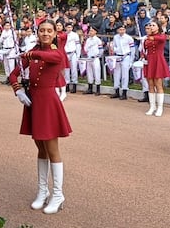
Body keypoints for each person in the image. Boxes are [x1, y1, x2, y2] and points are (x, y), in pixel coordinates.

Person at [8, 20, 72, 214]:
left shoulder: (56, 53)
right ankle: (42, 191)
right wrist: (18, 90)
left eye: (49, 31)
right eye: (42, 30)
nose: (45, 33)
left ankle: (58, 194)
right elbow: (13, 74)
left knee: (52, 150)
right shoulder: (33, 51)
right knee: (40, 149)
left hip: (48, 104)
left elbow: (48, 57)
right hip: (33, 103)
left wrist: (28, 53)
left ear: (54, 34)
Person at [141, 20, 170, 116]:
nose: (151, 27)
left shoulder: (161, 35)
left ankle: (160, 107)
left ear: (158, 27)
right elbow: (145, 47)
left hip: (158, 60)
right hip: (149, 61)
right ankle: (152, 106)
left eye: (153, 25)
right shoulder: (146, 38)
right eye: (150, 25)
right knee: (150, 84)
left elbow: (161, 39)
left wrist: (149, 37)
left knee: (158, 84)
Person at [109, 23, 134, 100]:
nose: (122, 31)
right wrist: (113, 49)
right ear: (117, 30)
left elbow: (132, 50)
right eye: (120, 29)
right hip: (118, 56)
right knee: (117, 74)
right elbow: (115, 46)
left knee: (125, 75)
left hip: (126, 56)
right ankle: (116, 90)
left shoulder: (129, 38)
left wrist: (131, 60)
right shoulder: (116, 37)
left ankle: (124, 92)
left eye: (123, 29)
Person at [82, 26, 103, 95]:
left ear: (95, 32)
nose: (90, 32)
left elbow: (101, 50)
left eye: (92, 31)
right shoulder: (88, 40)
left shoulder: (98, 40)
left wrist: (97, 56)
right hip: (89, 58)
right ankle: (90, 88)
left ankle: (98, 89)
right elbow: (85, 48)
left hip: (95, 58)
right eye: (90, 31)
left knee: (97, 72)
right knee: (89, 73)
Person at [63, 22, 81, 93]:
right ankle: (67, 84)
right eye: (68, 27)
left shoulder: (75, 35)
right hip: (65, 53)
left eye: (70, 27)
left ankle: (74, 84)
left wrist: (78, 55)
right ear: (65, 28)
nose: (69, 29)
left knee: (74, 69)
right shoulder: (64, 34)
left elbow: (78, 45)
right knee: (66, 70)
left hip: (73, 53)